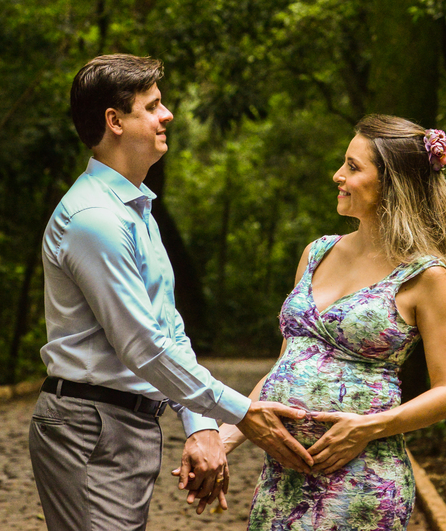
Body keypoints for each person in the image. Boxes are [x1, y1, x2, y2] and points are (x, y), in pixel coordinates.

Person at [28, 53, 312, 531]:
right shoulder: (95, 219)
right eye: (153, 105)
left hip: (128, 426)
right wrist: (242, 413)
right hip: (91, 429)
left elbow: (168, 329)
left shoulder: (135, 210)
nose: (168, 115)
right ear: (115, 121)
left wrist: (202, 425)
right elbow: (141, 345)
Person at [217, 114, 446, 531]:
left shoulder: (425, 275)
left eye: (353, 167)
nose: (338, 175)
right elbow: (286, 365)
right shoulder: (316, 253)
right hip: (283, 480)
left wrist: (366, 427)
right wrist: (224, 437)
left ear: (391, 184)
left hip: (361, 485)